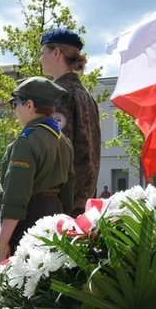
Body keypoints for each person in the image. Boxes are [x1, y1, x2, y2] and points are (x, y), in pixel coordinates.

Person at [0, 77, 76, 260]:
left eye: (15, 103)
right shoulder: (64, 141)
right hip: (56, 220)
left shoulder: (27, 141)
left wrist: (4, 240)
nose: (15, 109)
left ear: (30, 105)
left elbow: (16, 195)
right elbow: (69, 190)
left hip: (29, 222)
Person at [39, 28, 100, 215]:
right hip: (84, 199)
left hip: (62, 203)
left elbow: (57, 151)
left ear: (56, 52)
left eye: (42, 53)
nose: (40, 59)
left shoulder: (58, 94)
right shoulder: (86, 95)